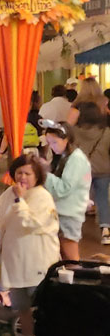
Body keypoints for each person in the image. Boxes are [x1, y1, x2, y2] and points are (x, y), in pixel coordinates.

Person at [0, 155, 60, 336]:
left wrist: (19, 201)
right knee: (22, 308)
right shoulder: (9, 193)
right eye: (19, 172)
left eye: (27, 173)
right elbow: (1, 221)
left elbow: (30, 223)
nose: (22, 177)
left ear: (37, 176)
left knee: (39, 309)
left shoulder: (42, 197)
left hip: (37, 262)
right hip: (15, 261)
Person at [42, 121, 91, 261]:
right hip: (66, 212)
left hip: (69, 214)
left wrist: (45, 174)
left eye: (54, 142)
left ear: (66, 139)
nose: (51, 146)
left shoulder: (76, 159)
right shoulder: (68, 157)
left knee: (70, 257)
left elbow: (64, 188)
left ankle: (74, 282)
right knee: (66, 256)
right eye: (49, 143)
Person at [74, 101, 110, 246]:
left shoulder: (75, 132)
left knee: (80, 199)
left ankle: (74, 230)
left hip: (83, 170)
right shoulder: (106, 132)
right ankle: (106, 231)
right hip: (103, 170)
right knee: (102, 199)